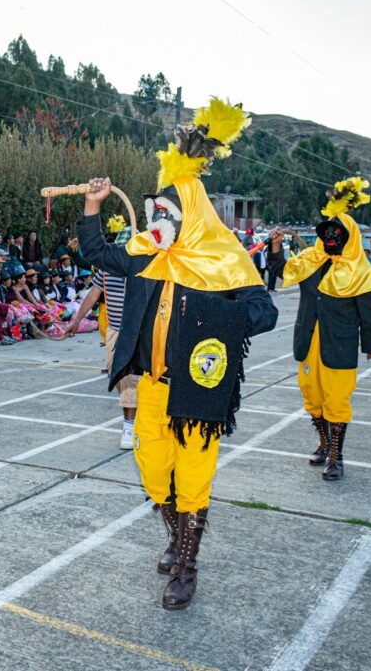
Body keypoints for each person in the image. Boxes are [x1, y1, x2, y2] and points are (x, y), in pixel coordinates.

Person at [76, 98, 277, 610]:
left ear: (191, 215)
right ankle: (176, 536)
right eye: (156, 212)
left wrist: (219, 318)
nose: (158, 220)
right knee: (153, 474)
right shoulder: (149, 253)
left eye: (167, 213)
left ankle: (187, 565)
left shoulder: (224, 256)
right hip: (148, 386)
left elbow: (264, 311)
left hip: (200, 391)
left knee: (191, 481)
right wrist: (94, 205)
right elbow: (99, 254)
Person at [281, 178, 371, 481]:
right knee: (311, 396)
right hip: (308, 341)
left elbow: (368, 310)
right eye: (327, 233)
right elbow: (280, 271)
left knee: (337, 401)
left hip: (339, 345)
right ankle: (324, 443)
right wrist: (275, 249)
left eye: (337, 234)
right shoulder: (310, 261)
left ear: (348, 237)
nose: (331, 238)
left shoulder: (360, 270)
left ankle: (337, 457)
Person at [67, 219, 137, 450]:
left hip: (137, 332)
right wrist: (76, 319)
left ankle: (129, 425)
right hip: (115, 331)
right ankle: (136, 413)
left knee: (130, 380)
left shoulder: (145, 268)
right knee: (117, 376)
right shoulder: (107, 268)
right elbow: (93, 294)